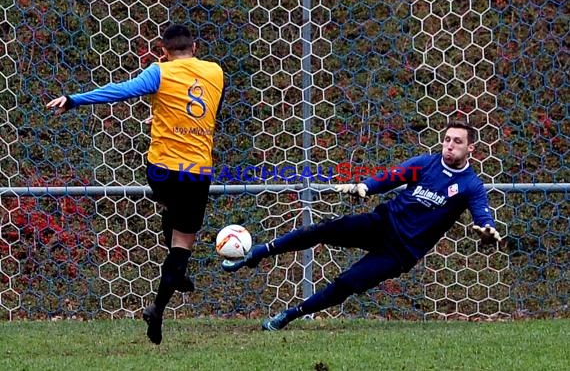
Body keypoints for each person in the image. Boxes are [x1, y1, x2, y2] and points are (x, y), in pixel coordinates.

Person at [222, 121, 504, 331]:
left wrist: (488, 230)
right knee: (320, 230)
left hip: (401, 252)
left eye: (457, 141)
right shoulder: (425, 164)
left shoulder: (470, 186)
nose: (450, 145)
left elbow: (482, 216)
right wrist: (365, 187)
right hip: (382, 223)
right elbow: (391, 177)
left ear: (471, 148)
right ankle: (255, 254)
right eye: (446, 139)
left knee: (347, 282)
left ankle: (289, 316)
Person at [46, 24, 225, 344]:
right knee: (182, 243)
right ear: (194, 47)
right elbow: (208, 111)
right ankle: (158, 306)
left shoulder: (160, 72)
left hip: (160, 171)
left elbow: (121, 89)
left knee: (171, 207)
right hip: (196, 172)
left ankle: (177, 272)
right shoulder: (215, 72)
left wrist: (73, 100)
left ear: (164, 50)